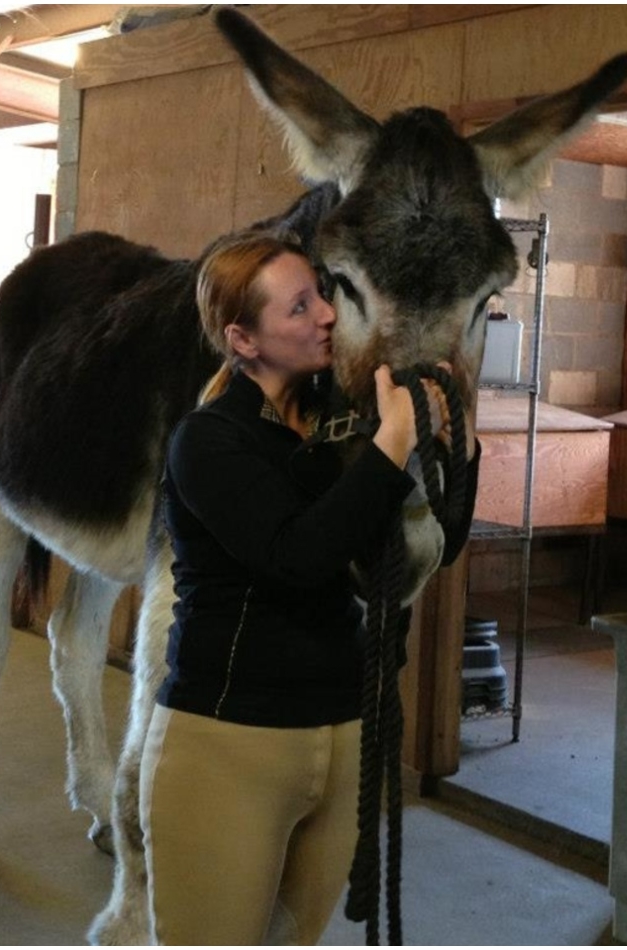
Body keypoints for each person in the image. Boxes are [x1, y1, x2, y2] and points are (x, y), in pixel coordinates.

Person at [139, 230, 477, 946]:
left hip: (344, 736)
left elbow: (437, 542)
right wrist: (392, 447)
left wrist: (456, 445)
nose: (327, 314)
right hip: (230, 745)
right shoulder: (207, 442)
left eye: (321, 295)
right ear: (244, 338)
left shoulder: (337, 425)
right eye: (299, 307)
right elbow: (298, 554)